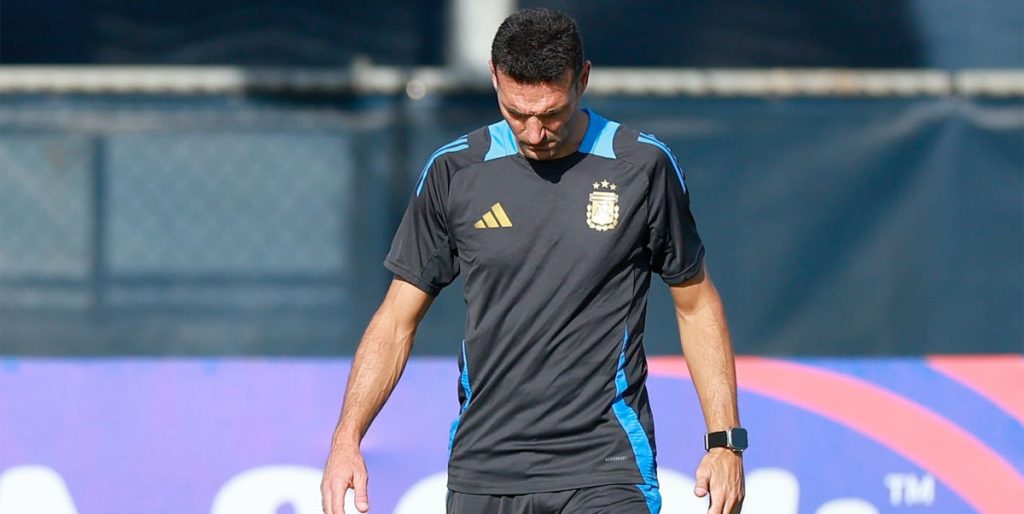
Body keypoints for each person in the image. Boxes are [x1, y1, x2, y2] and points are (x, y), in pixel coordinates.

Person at [321, 8, 745, 514]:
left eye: (551, 114)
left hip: (605, 466)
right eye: (517, 113)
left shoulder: (642, 166)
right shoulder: (454, 172)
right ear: (494, 77)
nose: (534, 132)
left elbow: (696, 305)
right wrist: (347, 437)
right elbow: (395, 320)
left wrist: (725, 442)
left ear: (582, 79)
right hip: (485, 468)